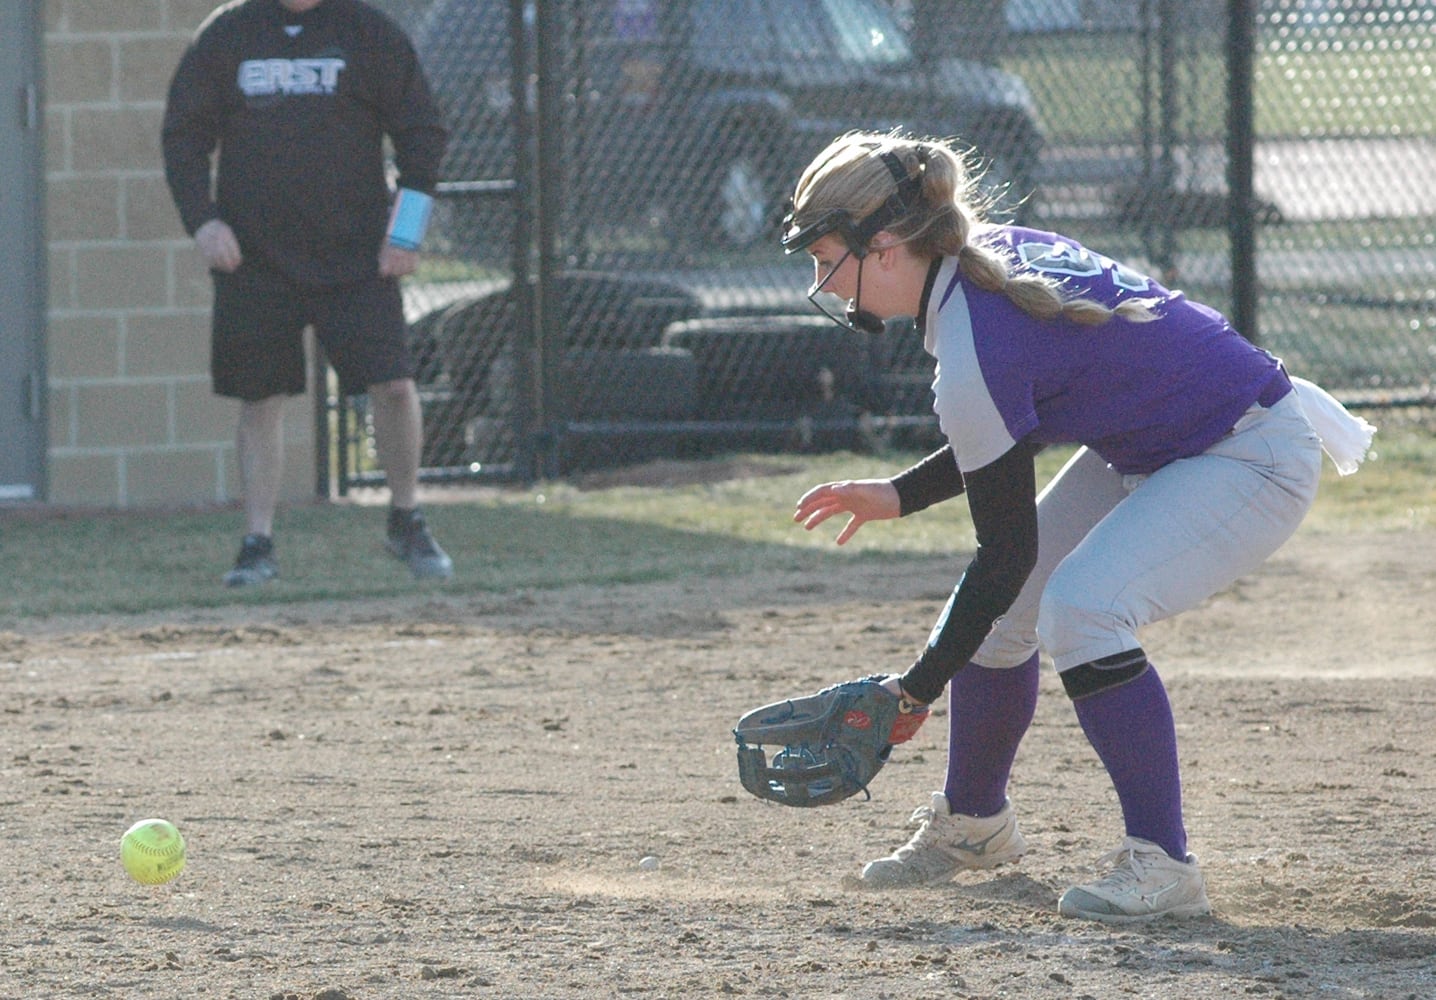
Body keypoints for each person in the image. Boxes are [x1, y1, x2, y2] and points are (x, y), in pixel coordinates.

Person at [783, 131, 1375, 923]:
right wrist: (900, 494)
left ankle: (1164, 867)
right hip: (1178, 434)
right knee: (1005, 615)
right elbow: (1009, 424)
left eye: (827, 256)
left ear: (885, 246)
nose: (823, 279)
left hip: (1249, 451)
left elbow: (1002, 545)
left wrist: (913, 690)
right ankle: (973, 825)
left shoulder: (973, 338)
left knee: (1082, 609)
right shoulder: (979, 262)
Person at [162, 0, 453, 586]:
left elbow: (423, 136)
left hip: (356, 258)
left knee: (393, 386)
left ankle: (406, 518)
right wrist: (204, 222)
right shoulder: (229, 33)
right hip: (257, 259)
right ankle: (257, 541)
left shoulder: (368, 32)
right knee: (260, 398)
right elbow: (184, 136)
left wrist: (405, 233)